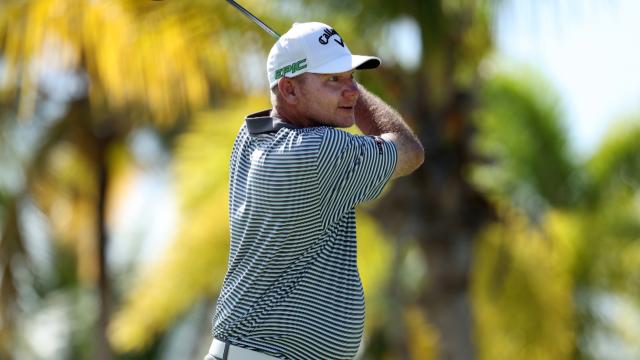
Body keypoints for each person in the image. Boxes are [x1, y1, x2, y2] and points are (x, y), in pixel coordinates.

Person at [204, 22, 424, 360]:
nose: (351, 90)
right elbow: (410, 150)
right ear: (289, 90)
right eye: (333, 80)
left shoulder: (251, 137)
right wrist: (357, 95)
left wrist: (327, 79)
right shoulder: (319, 152)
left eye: (352, 77)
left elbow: (275, 109)